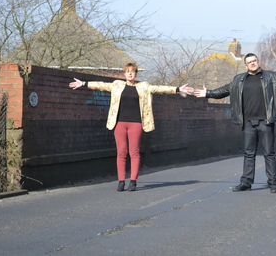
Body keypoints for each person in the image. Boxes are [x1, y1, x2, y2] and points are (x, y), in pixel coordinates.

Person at [193, 53, 276, 193]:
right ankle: (246, 183)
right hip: (248, 123)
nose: (253, 63)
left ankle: (273, 184)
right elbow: (224, 90)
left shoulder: (273, 77)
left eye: (254, 61)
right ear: (246, 65)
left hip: (265, 122)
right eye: (249, 62)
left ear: (258, 61)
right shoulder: (239, 79)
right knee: (249, 153)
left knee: (269, 153)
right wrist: (208, 93)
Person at [69, 63, 193, 192]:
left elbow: (159, 88)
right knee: (121, 152)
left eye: (132, 72)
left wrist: (178, 89)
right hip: (119, 124)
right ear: (124, 74)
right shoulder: (117, 85)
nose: (130, 73)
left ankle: (133, 181)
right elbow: (101, 85)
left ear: (135, 74)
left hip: (136, 123)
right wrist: (83, 84)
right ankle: (121, 181)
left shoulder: (143, 87)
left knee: (134, 152)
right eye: (127, 71)